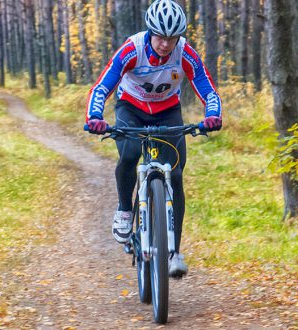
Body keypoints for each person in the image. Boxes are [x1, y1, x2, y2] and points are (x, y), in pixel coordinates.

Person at [85, 0, 222, 278]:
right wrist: (95, 117)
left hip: (167, 112)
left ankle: (173, 253)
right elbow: (103, 85)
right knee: (130, 152)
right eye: (160, 37)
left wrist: (213, 114)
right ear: (150, 32)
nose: (165, 44)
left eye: (171, 38)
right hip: (130, 108)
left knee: (176, 173)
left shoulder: (185, 53)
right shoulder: (132, 49)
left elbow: (207, 88)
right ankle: (125, 210)